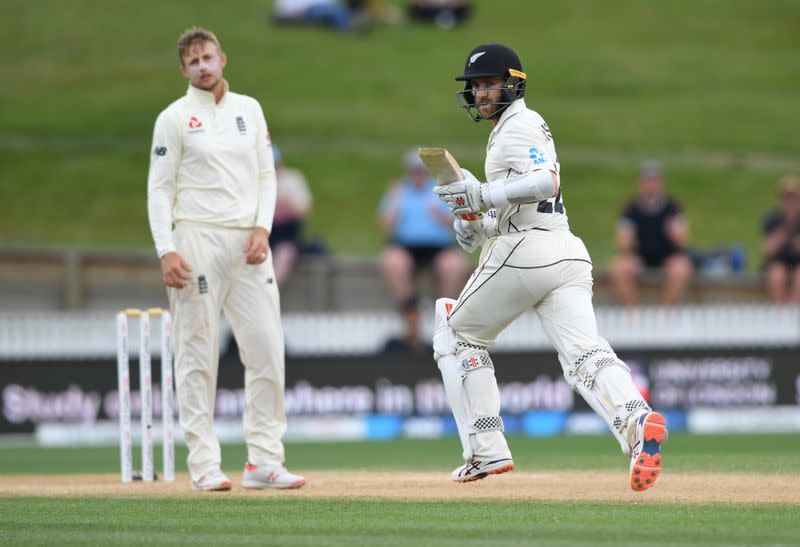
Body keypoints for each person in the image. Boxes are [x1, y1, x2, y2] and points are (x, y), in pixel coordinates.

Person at [430, 44, 667, 491]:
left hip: (529, 251)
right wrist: (472, 223)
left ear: (513, 83)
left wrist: (480, 196)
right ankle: (638, 422)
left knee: (454, 329)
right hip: (565, 250)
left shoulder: (518, 125)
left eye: (488, 84)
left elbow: (546, 183)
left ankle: (486, 449)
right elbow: (512, 205)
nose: (480, 93)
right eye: (475, 86)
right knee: (584, 355)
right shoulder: (516, 127)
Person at [147, 26, 304, 492]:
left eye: (208, 57)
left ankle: (263, 461)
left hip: (249, 244)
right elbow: (159, 189)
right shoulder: (173, 118)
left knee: (267, 349)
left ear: (223, 58)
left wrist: (262, 227)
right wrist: (166, 249)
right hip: (195, 240)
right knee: (197, 353)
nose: (202, 66)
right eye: (193, 61)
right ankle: (204, 465)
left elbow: (265, 174)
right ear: (184, 69)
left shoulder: (249, 110)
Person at [379, 149, 468, 350]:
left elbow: (458, 223)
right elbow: (385, 226)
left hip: (439, 246)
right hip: (405, 245)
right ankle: (410, 313)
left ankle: (447, 319)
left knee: (454, 265)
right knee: (392, 261)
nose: (417, 175)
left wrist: (439, 215)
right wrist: (395, 204)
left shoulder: (441, 191)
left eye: (420, 171)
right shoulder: (398, 192)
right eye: (413, 171)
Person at [608, 161, 693, 306]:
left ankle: (666, 312)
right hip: (639, 257)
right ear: (641, 183)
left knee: (682, 268)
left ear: (661, 183)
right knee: (618, 268)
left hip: (668, 257)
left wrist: (675, 234)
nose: (651, 185)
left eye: (654, 181)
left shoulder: (673, 208)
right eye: (647, 181)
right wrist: (628, 245)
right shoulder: (631, 208)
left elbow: (684, 241)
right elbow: (622, 242)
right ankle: (634, 313)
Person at [269, 146, 313, 287]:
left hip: (287, 235)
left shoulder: (292, 180)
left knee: (284, 255)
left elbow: (305, 212)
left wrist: (285, 208)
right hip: (263, 235)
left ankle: (271, 289)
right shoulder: (254, 181)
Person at [762, 176, 800, 303]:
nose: (790, 199)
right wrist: (780, 237)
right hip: (779, 261)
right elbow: (767, 249)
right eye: (787, 196)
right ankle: (781, 315)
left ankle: (794, 312)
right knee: (777, 275)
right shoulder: (773, 219)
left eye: (792, 195)